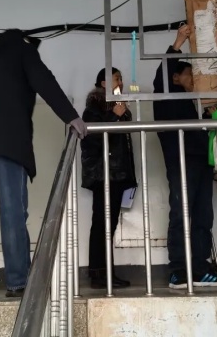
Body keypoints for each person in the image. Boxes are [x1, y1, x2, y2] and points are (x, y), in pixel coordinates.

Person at [0, 29, 87, 303]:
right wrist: (71, 116)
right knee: (12, 212)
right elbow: (45, 81)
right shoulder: (24, 53)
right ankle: (19, 283)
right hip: (8, 143)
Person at [152, 25, 217, 289]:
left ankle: (200, 268)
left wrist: (208, 117)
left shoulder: (192, 102)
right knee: (181, 213)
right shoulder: (166, 96)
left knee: (204, 215)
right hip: (181, 160)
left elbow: (198, 129)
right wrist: (179, 40)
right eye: (188, 74)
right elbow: (162, 74)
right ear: (175, 77)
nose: (193, 79)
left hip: (202, 160)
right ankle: (179, 270)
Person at [81, 68, 136, 289]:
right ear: (103, 83)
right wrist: (115, 115)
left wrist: (120, 113)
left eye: (121, 78)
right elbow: (93, 139)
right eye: (116, 78)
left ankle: (106, 273)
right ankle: (99, 275)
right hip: (103, 174)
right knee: (102, 225)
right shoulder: (93, 109)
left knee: (108, 224)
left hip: (116, 174)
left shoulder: (117, 106)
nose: (120, 82)